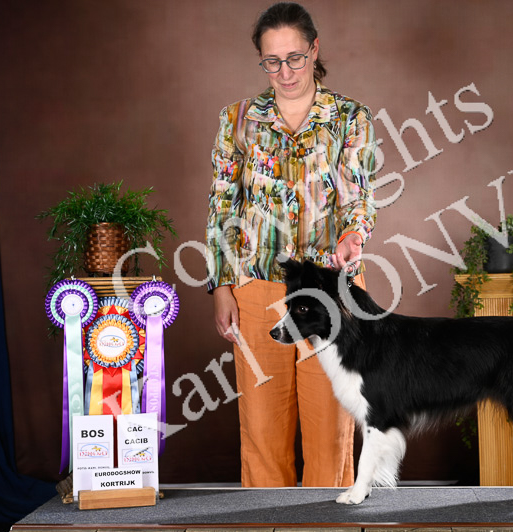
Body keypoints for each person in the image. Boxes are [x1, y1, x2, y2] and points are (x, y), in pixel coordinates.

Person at [205, 2, 377, 487]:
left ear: (314, 50)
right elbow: (222, 206)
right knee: (262, 430)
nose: (285, 72)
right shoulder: (237, 119)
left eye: (295, 58)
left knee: (330, 432)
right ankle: (267, 519)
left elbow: (359, 196)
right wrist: (221, 285)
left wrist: (353, 235)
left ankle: (330, 518)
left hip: (332, 291)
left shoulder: (351, 117)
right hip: (257, 288)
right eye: (272, 61)